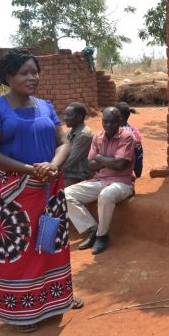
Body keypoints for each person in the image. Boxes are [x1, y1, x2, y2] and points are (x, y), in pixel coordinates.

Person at [0, 48, 83, 333]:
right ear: (8, 76)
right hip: (14, 195)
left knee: (52, 244)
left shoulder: (46, 106)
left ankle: (58, 298)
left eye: (35, 72)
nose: (32, 77)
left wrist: (53, 165)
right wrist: (29, 169)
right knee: (20, 251)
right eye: (24, 72)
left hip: (49, 188)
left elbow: (63, 142)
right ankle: (24, 311)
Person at [65, 107, 135, 255]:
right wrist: (110, 160)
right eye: (105, 122)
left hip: (122, 182)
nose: (108, 126)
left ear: (120, 122)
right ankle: (92, 228)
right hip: (100, 179)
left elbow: (120, 164)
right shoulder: (98, 137)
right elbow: (90, 164)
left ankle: (102, 236)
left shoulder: (127, 136)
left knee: (106, 195)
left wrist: (100, 158)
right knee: (66, 194)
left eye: (112, 122)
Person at [62, 102, 93, 187]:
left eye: (69, 115)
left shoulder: (84, 135)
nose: (65, 118)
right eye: (65, 115)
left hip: (78, 176)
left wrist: (53, 168)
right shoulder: (69, 132)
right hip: (68, 173)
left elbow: (69, 160)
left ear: (79, 117)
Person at [116, 102, 143, 178]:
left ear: (121, 116)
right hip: (136, 169)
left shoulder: (119, 133)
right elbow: (139, 154)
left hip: (124, 170)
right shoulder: (135, 131)